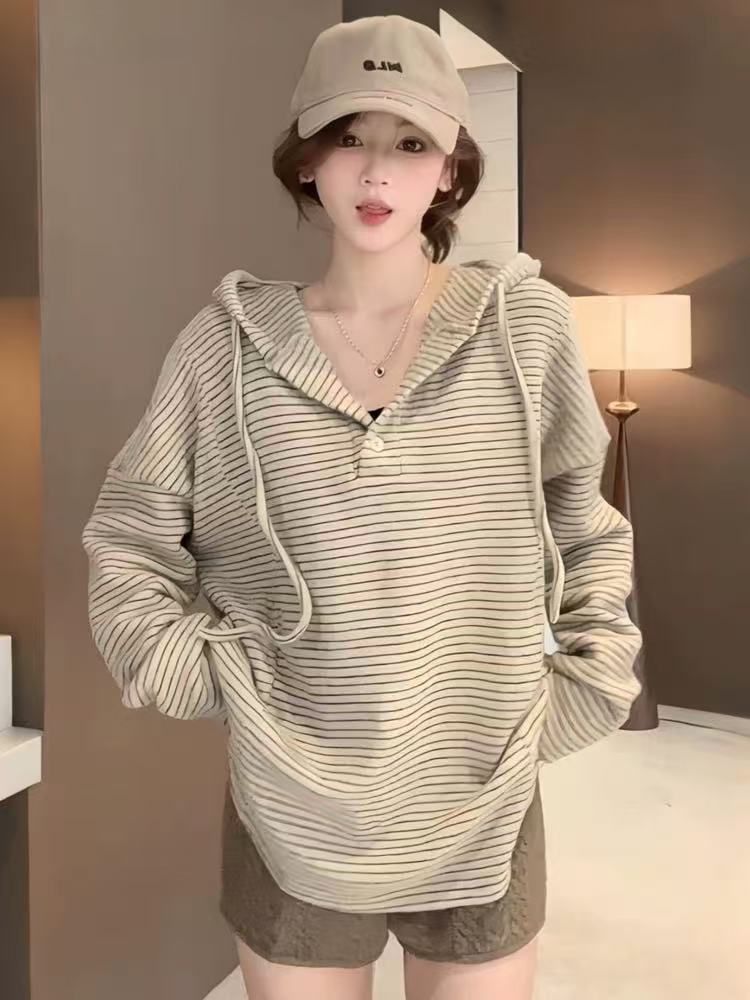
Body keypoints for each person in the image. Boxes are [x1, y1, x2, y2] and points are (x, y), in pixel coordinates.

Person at [81, 14, 643, 1000]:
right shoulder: (225, 347)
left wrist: (589, 679)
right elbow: (130, 535)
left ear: (450, 172)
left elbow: (581, 519)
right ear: (307, 160)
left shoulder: (525, 327)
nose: (377, 171)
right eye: (350, 136)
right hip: (289, 809)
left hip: (483, 797)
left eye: (411, 142)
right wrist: (206, 679)